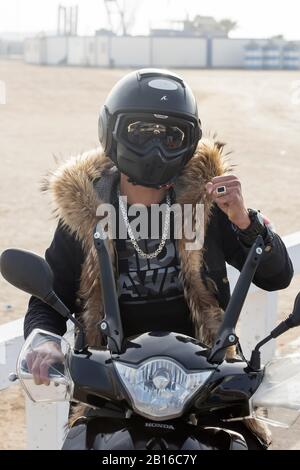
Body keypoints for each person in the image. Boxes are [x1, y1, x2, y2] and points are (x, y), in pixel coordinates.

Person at [24, 69, 293, 449]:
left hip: (206, 387)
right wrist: (44, 341)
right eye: (141, 133)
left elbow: (277, 275)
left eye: (171, 137)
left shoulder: (207, 205)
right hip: (112, 391)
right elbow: (48, 295)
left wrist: (243, 220)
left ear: (190, 142)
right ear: (112, 131)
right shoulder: (87, 212)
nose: (156, 150)